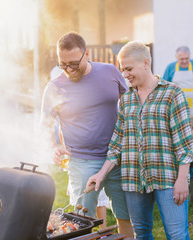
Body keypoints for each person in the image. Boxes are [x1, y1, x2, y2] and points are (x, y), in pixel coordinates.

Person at [86, 41, 193, 240]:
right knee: (141, 234)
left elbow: (184, 143)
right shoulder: (126, 100)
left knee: (177, 234)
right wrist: (100, 174)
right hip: (133, 178)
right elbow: (117, 142)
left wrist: (182, 179)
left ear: (145, 62)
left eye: (128, 69)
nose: (125, 74)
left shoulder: (172, 93)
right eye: (122, 69)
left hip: (168, 177)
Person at [40, 32, 133, 237]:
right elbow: (45, 125)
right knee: (83, 221)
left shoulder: (110, 72)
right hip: (82, 162)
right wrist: (53, 146)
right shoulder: (55, 87)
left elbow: (130, 103)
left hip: (117, 157)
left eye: (74, 63)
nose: (69, 69)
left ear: (87, 54)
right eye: (63, 64)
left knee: (126, 215)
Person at [163, 46, 193, 135]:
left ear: (190, 56)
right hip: (178, 104)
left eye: (187, 58)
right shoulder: (170, 67)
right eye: (181, 59)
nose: (184, 61)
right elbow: (165, 85)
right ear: (176, 57)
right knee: (180, 129)